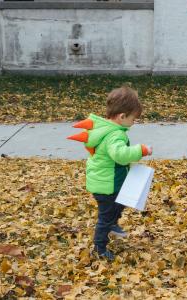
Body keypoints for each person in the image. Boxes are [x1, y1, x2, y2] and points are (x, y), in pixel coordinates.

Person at [67, 86, 152, 261]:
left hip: (105, 182)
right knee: (104, 218)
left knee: (121, 202)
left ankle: (113, 223)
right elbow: (120, 156)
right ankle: (99, 247)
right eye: (133, 119)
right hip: (107, 185)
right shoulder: (115, 135)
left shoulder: (105, 128)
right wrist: (141, 150)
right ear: (122, 116)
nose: (134, 123)